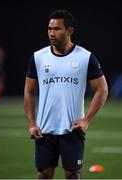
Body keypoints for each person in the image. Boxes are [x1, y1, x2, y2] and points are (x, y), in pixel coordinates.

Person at [24, 9, 108, 179]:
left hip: (72, 130)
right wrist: (31, 123)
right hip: (44, 130)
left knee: (72, 175)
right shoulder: (38, 57)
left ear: (70, 31)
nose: (51, 33)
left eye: (57, 29)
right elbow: (29, 91)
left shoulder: (86, 57)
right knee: (44, 175)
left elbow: (102, 89)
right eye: (49, 28)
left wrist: (86, 120)